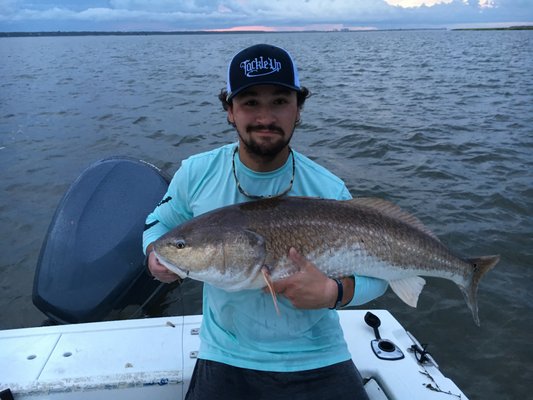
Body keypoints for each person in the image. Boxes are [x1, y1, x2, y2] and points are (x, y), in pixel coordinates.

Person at [143, 43, 388, 400]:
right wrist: (154, 255)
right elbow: (158, 225)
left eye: (279, 101)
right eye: (250, 102)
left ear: (298, 109)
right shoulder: (196, 172)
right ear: (230, 111)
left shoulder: (328, 188)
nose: (265, 117)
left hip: (319, 355)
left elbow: (380, 276)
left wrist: (334, 292)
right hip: (225, 355)